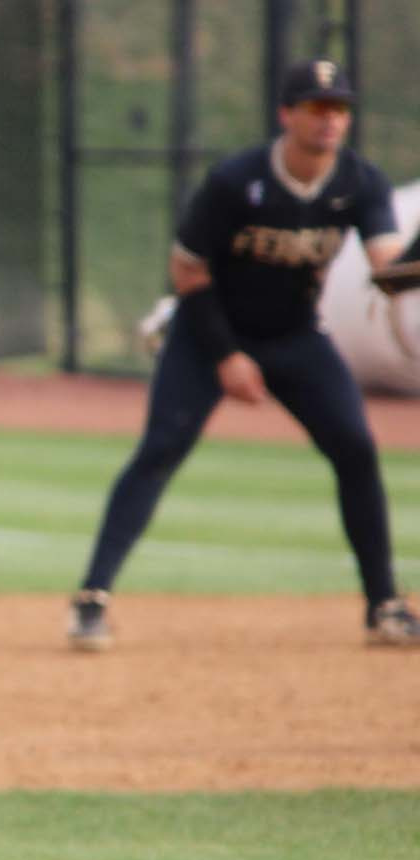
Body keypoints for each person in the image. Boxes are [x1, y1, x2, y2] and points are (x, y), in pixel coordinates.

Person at [68, 59, 419, 650]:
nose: (330, 120)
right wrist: (227, 356)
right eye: (316, 108)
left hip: (297, 336)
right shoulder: (238, 180)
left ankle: (384, 604)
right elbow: (186, 270)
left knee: (356, 449)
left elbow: (390, 272)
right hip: (208, 332)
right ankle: (91, 599)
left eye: (339, 109)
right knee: (161, 448)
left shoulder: (360, 182)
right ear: (287, 114)